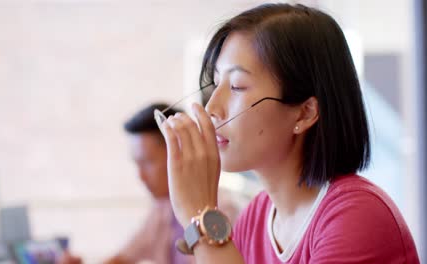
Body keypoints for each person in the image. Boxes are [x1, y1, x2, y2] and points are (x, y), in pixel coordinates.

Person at [157, 3, 420, 264]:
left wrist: (203, 215)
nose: (212, 107)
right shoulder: (256, 217)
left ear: (305, 113)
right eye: (215, 84)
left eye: (237, 86)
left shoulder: (359, 217)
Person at [59, 103, 238, 264]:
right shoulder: (162, 209)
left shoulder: (221, 212)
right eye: (137, 164)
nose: (141, 176)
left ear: (177, 151)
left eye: (147, 162)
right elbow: (121, 259)